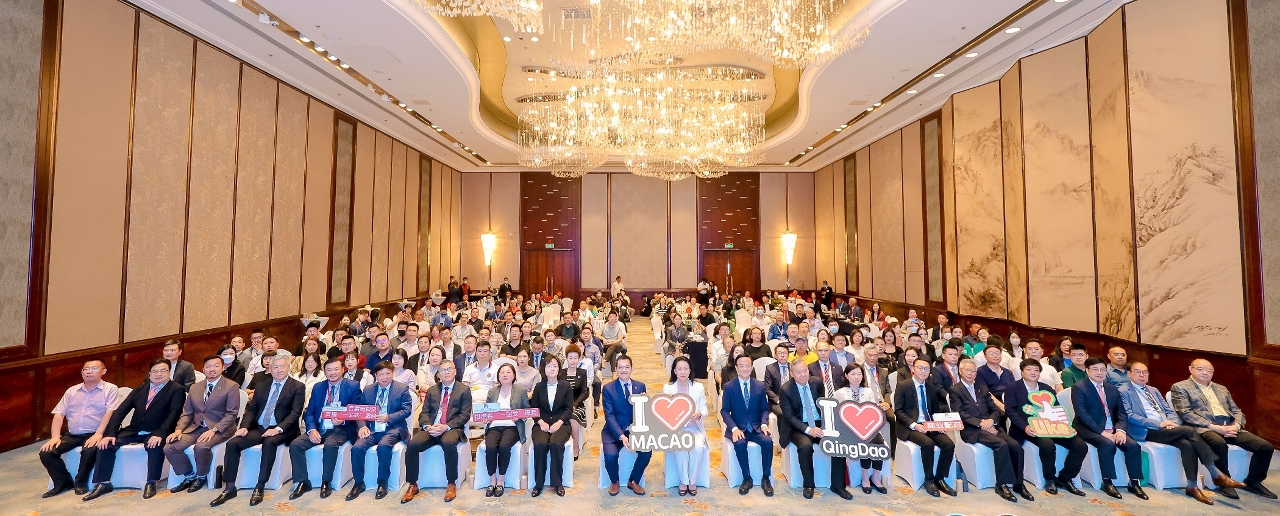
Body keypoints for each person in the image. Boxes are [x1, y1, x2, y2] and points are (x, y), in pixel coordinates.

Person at [1121, 362, 1243, 504]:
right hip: (1147, 430)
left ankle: (1192, 486)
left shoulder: (1153, 390)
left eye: (1145, 372)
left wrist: (1171, 422)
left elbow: (1169, 410)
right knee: (1189, 430)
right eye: (1137, 372)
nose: (1142, 375)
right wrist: (1159, 424)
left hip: (1167, 427)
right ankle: (1215, 472)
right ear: (1129, 373)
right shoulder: (1123, 391)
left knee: (1187, 444)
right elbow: (1130, 416)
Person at [1171, 358, 1276, 499]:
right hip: (1204, 427)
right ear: (1190, 369)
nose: (1205, 373)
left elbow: (1236, 411)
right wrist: (1214, 427)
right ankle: (1225, 482)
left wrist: (1236, 426)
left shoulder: (1221, 389)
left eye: (1209, 370)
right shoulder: (1180, 387)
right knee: (1218, 442)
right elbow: (1185, 413)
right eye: (1200, 369)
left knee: (1265, 447)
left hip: (1229, 427)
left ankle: (1253, 481)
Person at [83, 359, 186, 501]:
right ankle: (103, 483)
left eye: (163, 370)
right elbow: (120, 411)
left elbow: (174, 413)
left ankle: (151, 482)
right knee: (107, 444)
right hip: (134, 430)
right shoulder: (140, 389)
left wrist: (160, 434)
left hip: (157, 431)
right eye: (155, 371)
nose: (158, 374)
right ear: (149, 374)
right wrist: (110, 433)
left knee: (155, 446)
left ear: (169, 372)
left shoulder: (176, 389)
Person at [212, 355, 305, 506]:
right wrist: (244, 426)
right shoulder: (262, 385)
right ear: (270, 369)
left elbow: (295, 413)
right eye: (276, 367)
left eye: (282, 366)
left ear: (288, 367)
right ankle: (230, 487)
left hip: (283, 429)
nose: (279, 370)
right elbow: (252, 409)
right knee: (233, 443)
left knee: (269, 442)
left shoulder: (297, 386)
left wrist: (278, 429)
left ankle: (260, 485)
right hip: (260, 427)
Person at [949, 359, 1031, 502]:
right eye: (967, 370)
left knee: (1016, 446)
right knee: (1001, 444)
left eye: (973, 371)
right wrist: (981, 424)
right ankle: (1001, 484)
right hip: (972, 429)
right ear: (960, 371)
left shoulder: (982, 388)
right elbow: (960, 413)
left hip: (991, 425)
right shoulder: (955, 390)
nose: (970, 373)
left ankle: (1018, 483)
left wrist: (991, 421)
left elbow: (995, 409)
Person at [1004, 358, 1087, 497]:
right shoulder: (1013, 388)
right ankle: (1050, 479)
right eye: (1029, 369)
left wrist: (1067, 427)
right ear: (1022, 372)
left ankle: (1065, 478)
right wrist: (1025, 427)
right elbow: (1011, 411)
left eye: (1036, 370)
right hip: (1028, 428)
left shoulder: (1046, 388)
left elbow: (1056, 409)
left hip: (1051, 426)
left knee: (1080, 446)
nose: (1033, 372)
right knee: (1047, 445)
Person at [41, 359, 121, 498]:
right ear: (82, 372)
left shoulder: (110, 389)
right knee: (46, 453)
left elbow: (110, 413)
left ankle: (81, 482)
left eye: (94, 368)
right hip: (72, 434)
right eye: (86, 369)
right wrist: (55, 437)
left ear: (104, 371)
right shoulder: (72, 391)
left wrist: (99, 434)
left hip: (96, 433)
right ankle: (62, 482)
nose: (89, 371)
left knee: (89, 450)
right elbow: (59, 414)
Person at [164, 355, 243, 494]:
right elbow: (187, 413)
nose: (212, 369)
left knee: (201, 447)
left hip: (221, 428)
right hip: (196, 427)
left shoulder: (231, 386)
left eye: (216, 366)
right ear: (203, 369)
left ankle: (201, 477)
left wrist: (214, 430)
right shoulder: (195, 387)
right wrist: (178, 430)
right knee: (170, 447)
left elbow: (231, 414)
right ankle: (189, 475)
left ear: (223, 368)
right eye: (208, 366)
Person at [1071, 357, 1147, 500]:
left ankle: (1134, 483)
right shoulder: (1079, 388)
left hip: (1112, 428)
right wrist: (1102, 433)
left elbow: (1121, 412)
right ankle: (1108, 482)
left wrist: (1120, 430)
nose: (1099, 373)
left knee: (1133, 446)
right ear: (1087, 370)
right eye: (1095, 369)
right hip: (1088, 428)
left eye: (1103, 370)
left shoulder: (1112, 388)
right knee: (1107, 444)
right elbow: (1082, 414)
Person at [288, 357, 363, 500]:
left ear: (343, 370)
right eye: (329, 370)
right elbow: (309, 412)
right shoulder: (319, 387)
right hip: (320, 427)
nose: (332, 373)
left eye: (336, 369)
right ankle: (303, 482)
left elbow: (356, 410)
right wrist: (311, 429)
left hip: (340, 429)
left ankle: (326, 482)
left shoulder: (353, 386)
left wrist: (343, 419)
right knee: (295, 445)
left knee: (330, 444)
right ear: (324, 371)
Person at [402, 362, 472, 504]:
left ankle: (451, 483)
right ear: (438, 374)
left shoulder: (464, 390)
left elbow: (464, 416)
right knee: (413, 444)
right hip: (432, 428)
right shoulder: (433, 390)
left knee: (448, 443)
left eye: (449, 369)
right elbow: (424, 413)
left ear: (455, 371)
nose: (446, 372)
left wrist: (446, 427)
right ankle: (413, 484)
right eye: (443, 370)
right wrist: (428, 426)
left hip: (452, 428)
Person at [347, 361, 414, 500]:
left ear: (392, 373)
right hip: (371, 429)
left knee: (383, 446)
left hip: (392, 428)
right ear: (376, 375)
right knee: (356, 448)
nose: (384, 377)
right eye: (381, 374)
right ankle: (359, 483)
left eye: (387, 373)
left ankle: (383, 482)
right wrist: (362, 426)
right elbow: (360, 411)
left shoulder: (402, 388)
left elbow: (406, 410)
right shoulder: (368, 390)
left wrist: (388, 417)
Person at [893, 357, 956, 497]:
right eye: (920, 368)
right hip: (910, 426)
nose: (923, 371)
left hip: (929, 424)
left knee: (949, 444)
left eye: (926, 369)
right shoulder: (903, 385)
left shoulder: (931, 387)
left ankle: (940, 478)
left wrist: (938, 424)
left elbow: (935, 409)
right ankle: (929, 480)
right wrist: (914, 425)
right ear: (913, 369)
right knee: (928, 443)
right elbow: (898, 411)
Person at [721, 354, 775, 496]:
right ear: (736, 368)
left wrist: (764, 424)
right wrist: (734, 428)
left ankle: (766, 478)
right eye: (741, 366)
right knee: (739, 444)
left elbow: (764, 409)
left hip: (756, 427)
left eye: (747, 366)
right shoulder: (729, 386)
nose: (745, 369)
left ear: (752, 368)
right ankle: (746, 478)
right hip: (738, 428)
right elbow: (725, 411)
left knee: (768, 442)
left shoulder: (759, 385)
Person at [833, 363, 889, 495]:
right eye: (853, 374)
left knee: (879, 443)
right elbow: (837, 415)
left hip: (868, 426)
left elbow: (873, 411)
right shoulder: (840, 393)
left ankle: (875, 476)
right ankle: (865, 476)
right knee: (866, 442)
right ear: (846, 376)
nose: (856, 377)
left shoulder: (868, 391)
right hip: (848, 429)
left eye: (859, 374)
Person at [778, 357, 828, 499]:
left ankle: (838, 485)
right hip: (798, 426)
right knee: (805, 447)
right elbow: (789, 416)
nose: (803, 375)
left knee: (836, 442)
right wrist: (809, 430)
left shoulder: (817, 382)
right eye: (798, 372)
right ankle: (809, 485)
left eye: (805, 371)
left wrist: (825, 426)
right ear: (792, 373)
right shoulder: (786, 390)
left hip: (818, 423)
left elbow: (822, 405)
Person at [601, 355, 652, 495]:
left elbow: (643, 412)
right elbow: (609, 416)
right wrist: (621, 435)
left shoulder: (640, 386)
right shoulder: (608, 388)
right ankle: (614, 481)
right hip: (614, 430)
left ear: (632, 368)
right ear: (616, 369)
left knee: (647, 452)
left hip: (634, 430)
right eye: (620, 367)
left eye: (627, 367)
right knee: (610, 456)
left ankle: (633, 480)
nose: (624, 370)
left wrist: (644, 403)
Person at [663, 357, 708, 496]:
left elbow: (705, 410)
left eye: (685, 369)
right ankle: (683, 481)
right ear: (674, 371)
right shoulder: (668, 388)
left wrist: (699, 414)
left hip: (695, 428)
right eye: (679, 369)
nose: (682, 372)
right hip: (677, 429)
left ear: (690, 371)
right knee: (681, 448)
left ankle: (692, 481)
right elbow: (664, 413)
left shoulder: (698, 387)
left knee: (698, 447)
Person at [483, 364, 530, 497]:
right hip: (494, 426)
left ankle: (501, 480)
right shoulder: (492, 392)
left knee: (504, 446)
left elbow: (527, 410)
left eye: (508, 372)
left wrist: (519, 416)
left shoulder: (520, 391)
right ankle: (492, 480)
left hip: (512, 426)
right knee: (490, 447)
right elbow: (486, 411)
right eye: (502, 372)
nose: (505, 375)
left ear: (513, 375)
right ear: (498, 376)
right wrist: (486, 418)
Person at [529, 357, 573, 497]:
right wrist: (540, 422)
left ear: (559, 369)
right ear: (544, 369)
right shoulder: (539, 387)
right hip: (541, 424)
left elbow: (569, 410)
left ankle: (557, 482)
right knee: (540, 444)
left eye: (555, 366)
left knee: (555, 443)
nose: (552, 369)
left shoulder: (566, 386)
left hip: (561, 424)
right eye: (549, 366)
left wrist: (559, 423)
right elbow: (534, 408)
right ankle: (538, 484)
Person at [562, 344, 591, 459]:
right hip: (563, 404)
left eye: (575, 358)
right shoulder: (561, 373)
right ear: (566, 358)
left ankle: (575, 446)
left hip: (578, 405)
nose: (573, 360)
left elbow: (584, 392)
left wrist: (574, 404)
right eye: (570, 358)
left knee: (573, 417)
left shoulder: (582, 372)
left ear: (579, 359)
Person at [974, 340, 1015, 411]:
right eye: (991, 353)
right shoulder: (980, 372)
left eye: (997, 353)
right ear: (985, 357)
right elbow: (985, 393)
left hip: (1009, 403)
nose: (995, 356)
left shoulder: (1008, 372)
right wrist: (1002, 407)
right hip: (991, 405)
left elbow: (1013, 390)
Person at [762, 344, 791, 417]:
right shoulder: (770, 368)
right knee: (783, 414)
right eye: (779, 353)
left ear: (788, 355)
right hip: (777, 401)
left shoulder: (793, 367)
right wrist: (778, 400)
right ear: (775, 356)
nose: (782, 355)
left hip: (792, 400)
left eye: (785, 353)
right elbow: (767, 389)